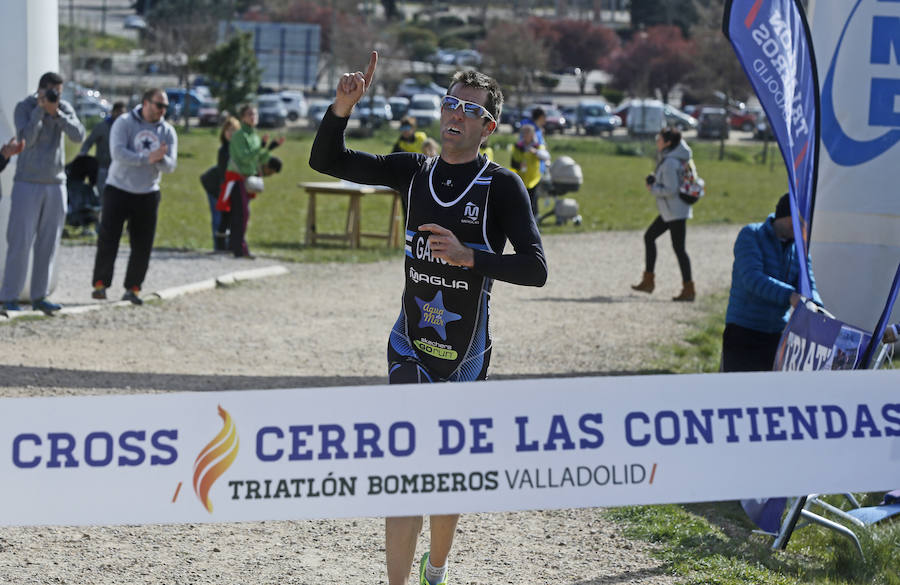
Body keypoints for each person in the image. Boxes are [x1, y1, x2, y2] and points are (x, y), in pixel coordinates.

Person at [309, 52, 547, 585]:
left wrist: (471, 257)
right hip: (410, 344)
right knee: (408, 472)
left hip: (466, 357)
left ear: (489, 126)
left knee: (446, 479)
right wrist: (342, 107)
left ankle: (435, 568)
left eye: (469, 108)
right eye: (450, 103)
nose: (455, 114)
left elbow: (536, 269)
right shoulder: (412, 171)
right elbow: (328, 160)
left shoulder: (502, 188)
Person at [0, 72, 84, 316]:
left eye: (58, 92)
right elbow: (28, 139)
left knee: (49, 242)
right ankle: (9, 296)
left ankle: (40, 296)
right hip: (28, 182)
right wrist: (40, 110)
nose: (55, 96)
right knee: (20, 241)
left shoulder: (63, 108)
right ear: (41, 90)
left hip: (56, 183)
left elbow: (78, 135)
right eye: (51, 92)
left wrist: (57, 113)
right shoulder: (24, 107)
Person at [90, 88, 177, 305]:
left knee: (142, 244)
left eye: (165, 106)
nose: (162, 110)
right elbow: (117, 153)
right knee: (109, 239)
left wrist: (160, 159)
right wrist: (148, 158)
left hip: (148, 193)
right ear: (146, 103)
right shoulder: (124, 122)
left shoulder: (167, 131)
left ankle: (133, 288)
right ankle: (100, 284)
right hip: (118, 188)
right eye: (159, 105)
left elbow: (171, 165)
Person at [721, 193, 823, 371]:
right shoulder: (751, 235)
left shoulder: (801, 249)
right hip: (743, 332)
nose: (800, 229)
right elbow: (752, 279)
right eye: (797, 222)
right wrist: (790, 296)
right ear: (786, 216)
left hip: (777, 335)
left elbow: (809, 286)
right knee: (736, 393)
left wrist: (817, 307)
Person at [631, 127, 695, 301]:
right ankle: (649, 280)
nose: (657, 142)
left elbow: (671, 189)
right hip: (674, 210)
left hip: (674, 211)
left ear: (668, 142)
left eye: (659, 139)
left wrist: (653, 188)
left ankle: (688, 289)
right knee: (651, 238)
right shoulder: (677, 158)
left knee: (678, 248)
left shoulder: (670, 162)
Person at [223, 104, 283, 259]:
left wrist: (271, 148)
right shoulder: (239, 136)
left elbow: (260, 158)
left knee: (243, 214)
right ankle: (239, 248)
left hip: (247, 179)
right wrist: (261, 148)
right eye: (250, 114)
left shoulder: (254, 136)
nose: (253, 117)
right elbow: (244, 157)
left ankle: (237, 246)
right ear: (243, 117)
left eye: (255, 114)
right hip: (236, 178)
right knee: (242, 214)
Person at [200, 116, 241, 251]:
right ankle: (219, 247)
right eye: (228, 130)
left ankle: (230, 246)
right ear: (223, 133)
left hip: (229, 187)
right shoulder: (223, 150)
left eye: (234, 130)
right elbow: (224, 175)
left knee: (232, 219)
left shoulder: (241, 149)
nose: (230, 133)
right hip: (215, 188)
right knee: (218, 218)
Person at [80, 101, 127, 196]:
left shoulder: (126, 129)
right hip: (103, 168)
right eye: (118, 113)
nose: (120, 116)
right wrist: (83, 154)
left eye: (123, 114)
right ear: (113, 112)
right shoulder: (102, 127)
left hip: (120, 168)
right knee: (103, 196)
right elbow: (89, 142)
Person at [510, 123, 549, 217]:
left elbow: (546, 156)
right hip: (521, 179)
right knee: (521, 200)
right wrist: (519, 165)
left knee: (533, 200)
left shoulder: (537, 146)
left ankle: (535, 218)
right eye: (524, 133)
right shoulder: (518, 147)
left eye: (528, 133)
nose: (525, 135)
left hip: (534, 179)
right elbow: (513, 163)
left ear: (532, 135)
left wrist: (536, 152)